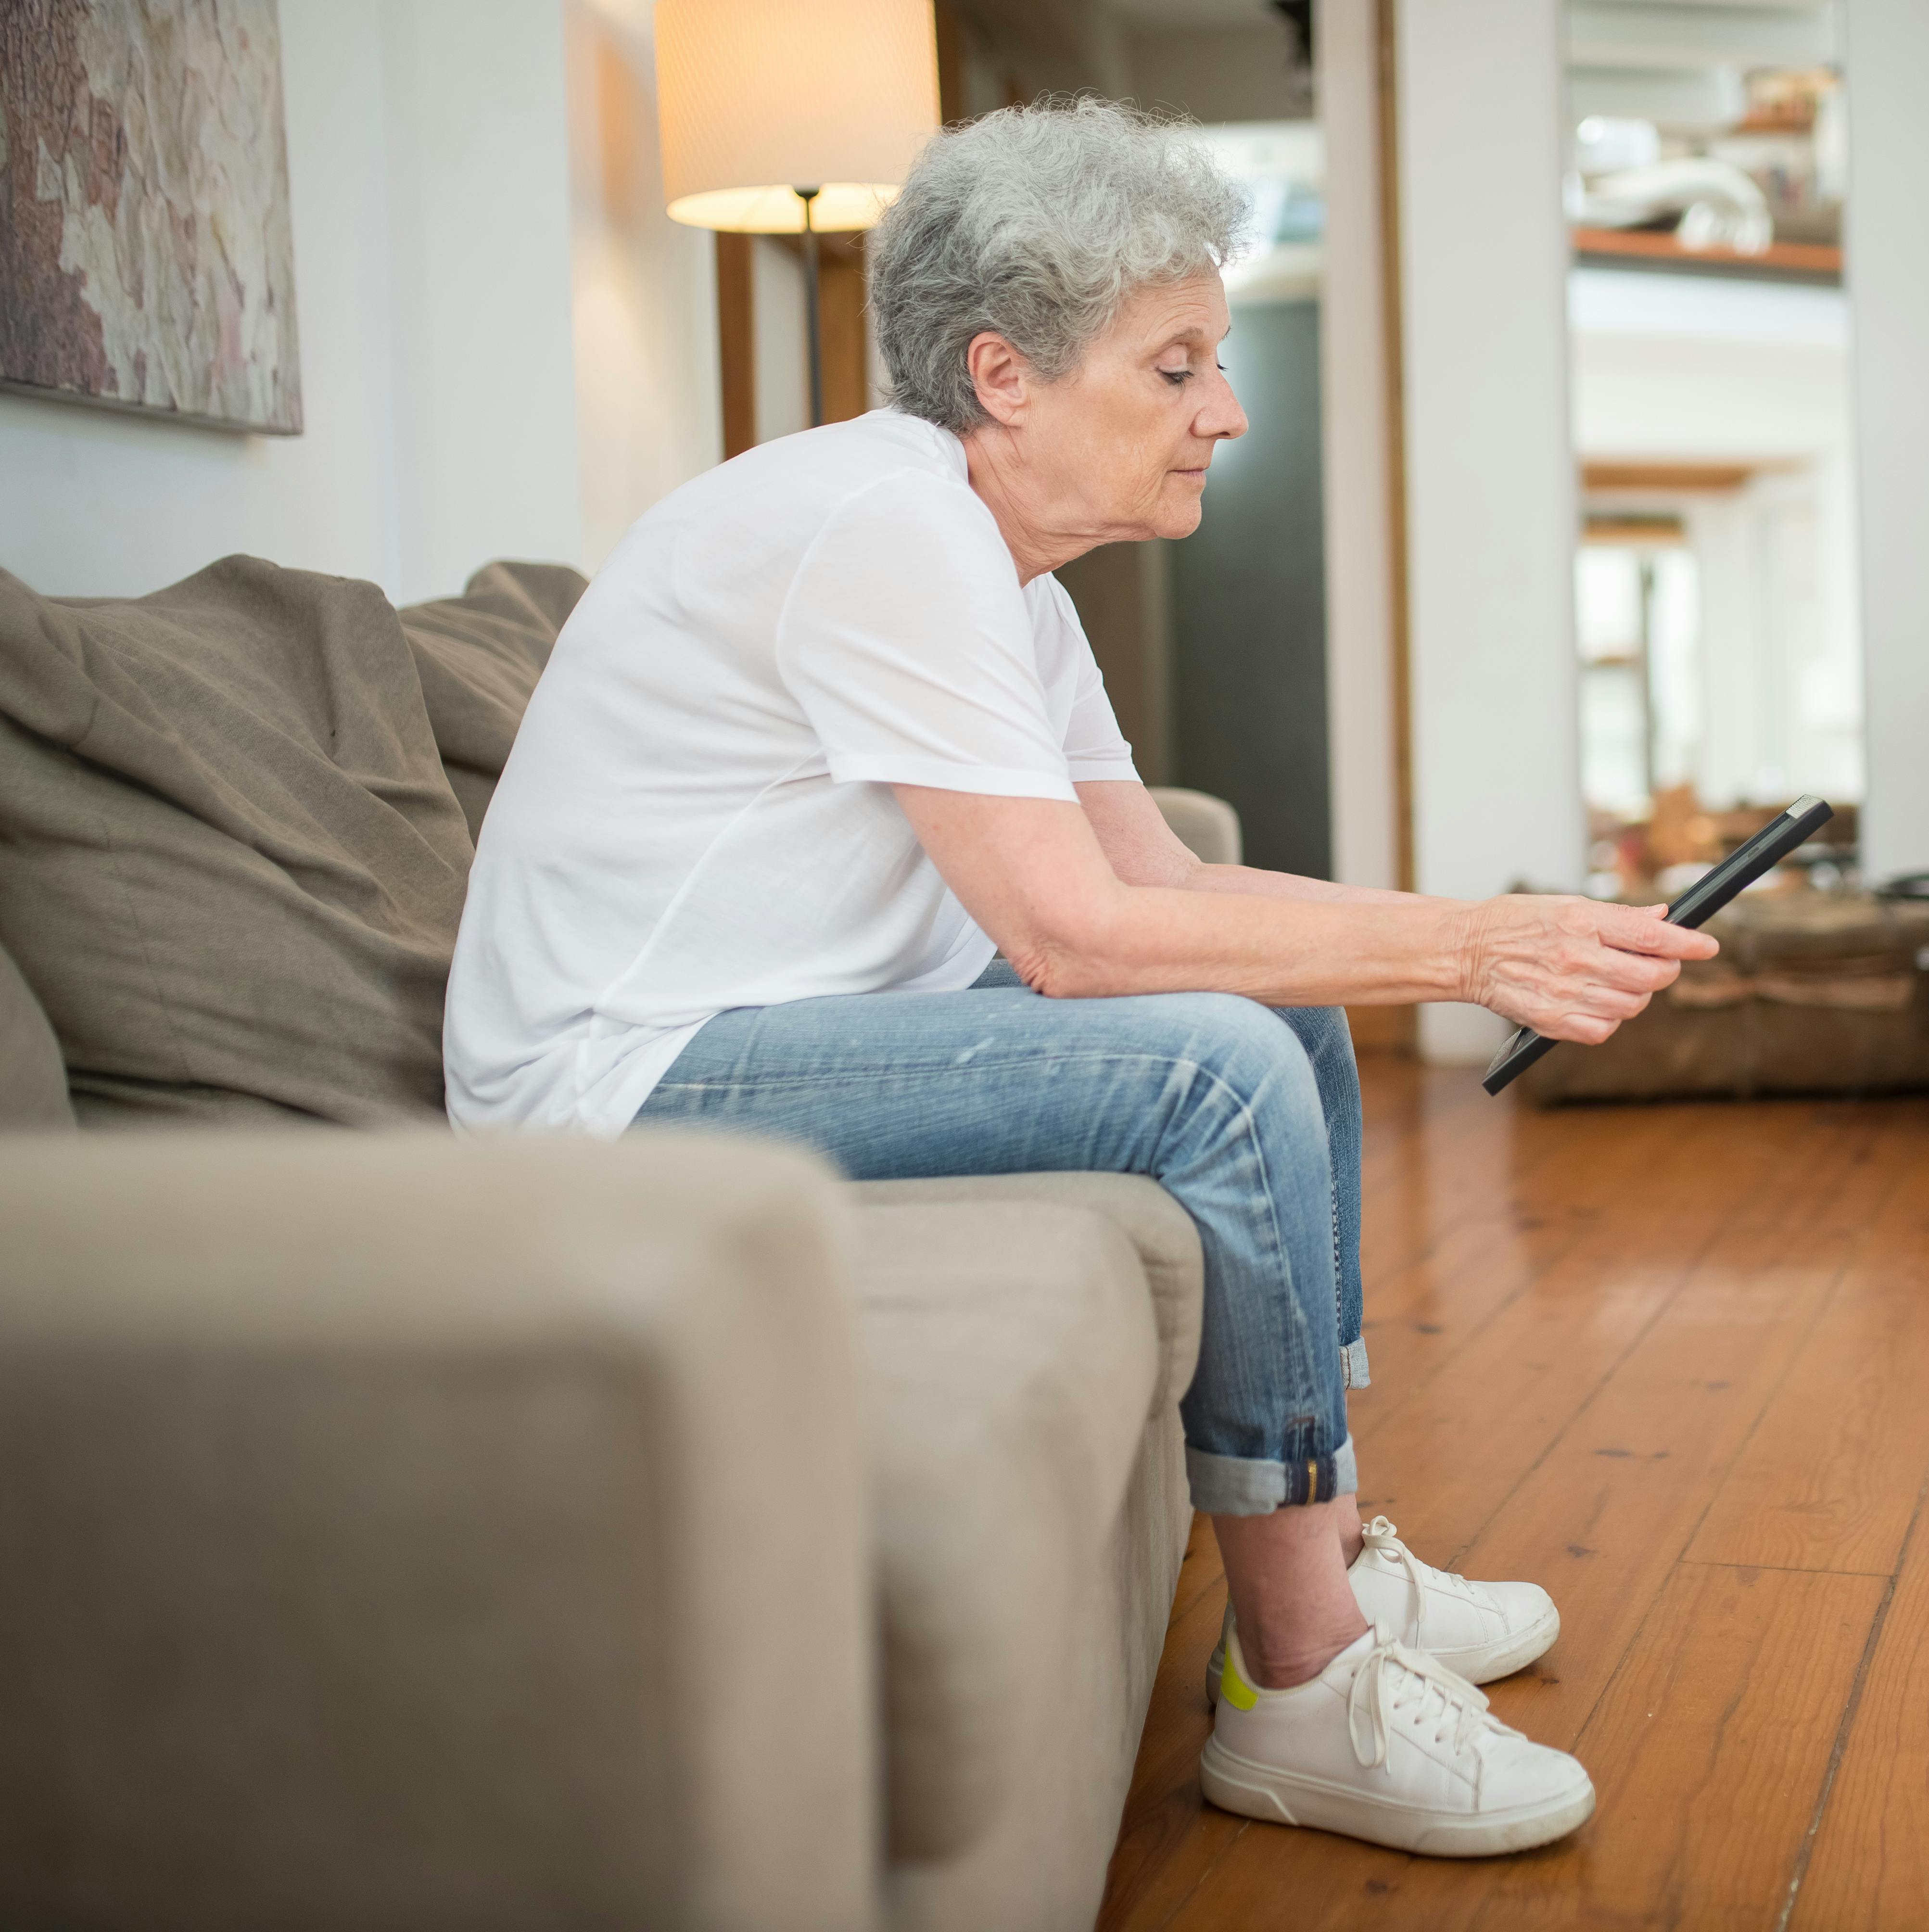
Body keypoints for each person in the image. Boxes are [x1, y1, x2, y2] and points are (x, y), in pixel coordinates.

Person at [443, 98, 1712, 1857]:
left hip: (788, 1031)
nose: (1229, 409)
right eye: (1179, 365)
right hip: (620, 1083)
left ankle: (1330, 1547)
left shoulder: (1007, 573)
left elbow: (1162, 882)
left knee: (1275, 1007)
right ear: (1006, 374)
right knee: (1212, 1061)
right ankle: (1301, 1687)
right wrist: (1476, 948)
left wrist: (1495, 921)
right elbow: (1070, 941)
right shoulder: (884, 528)